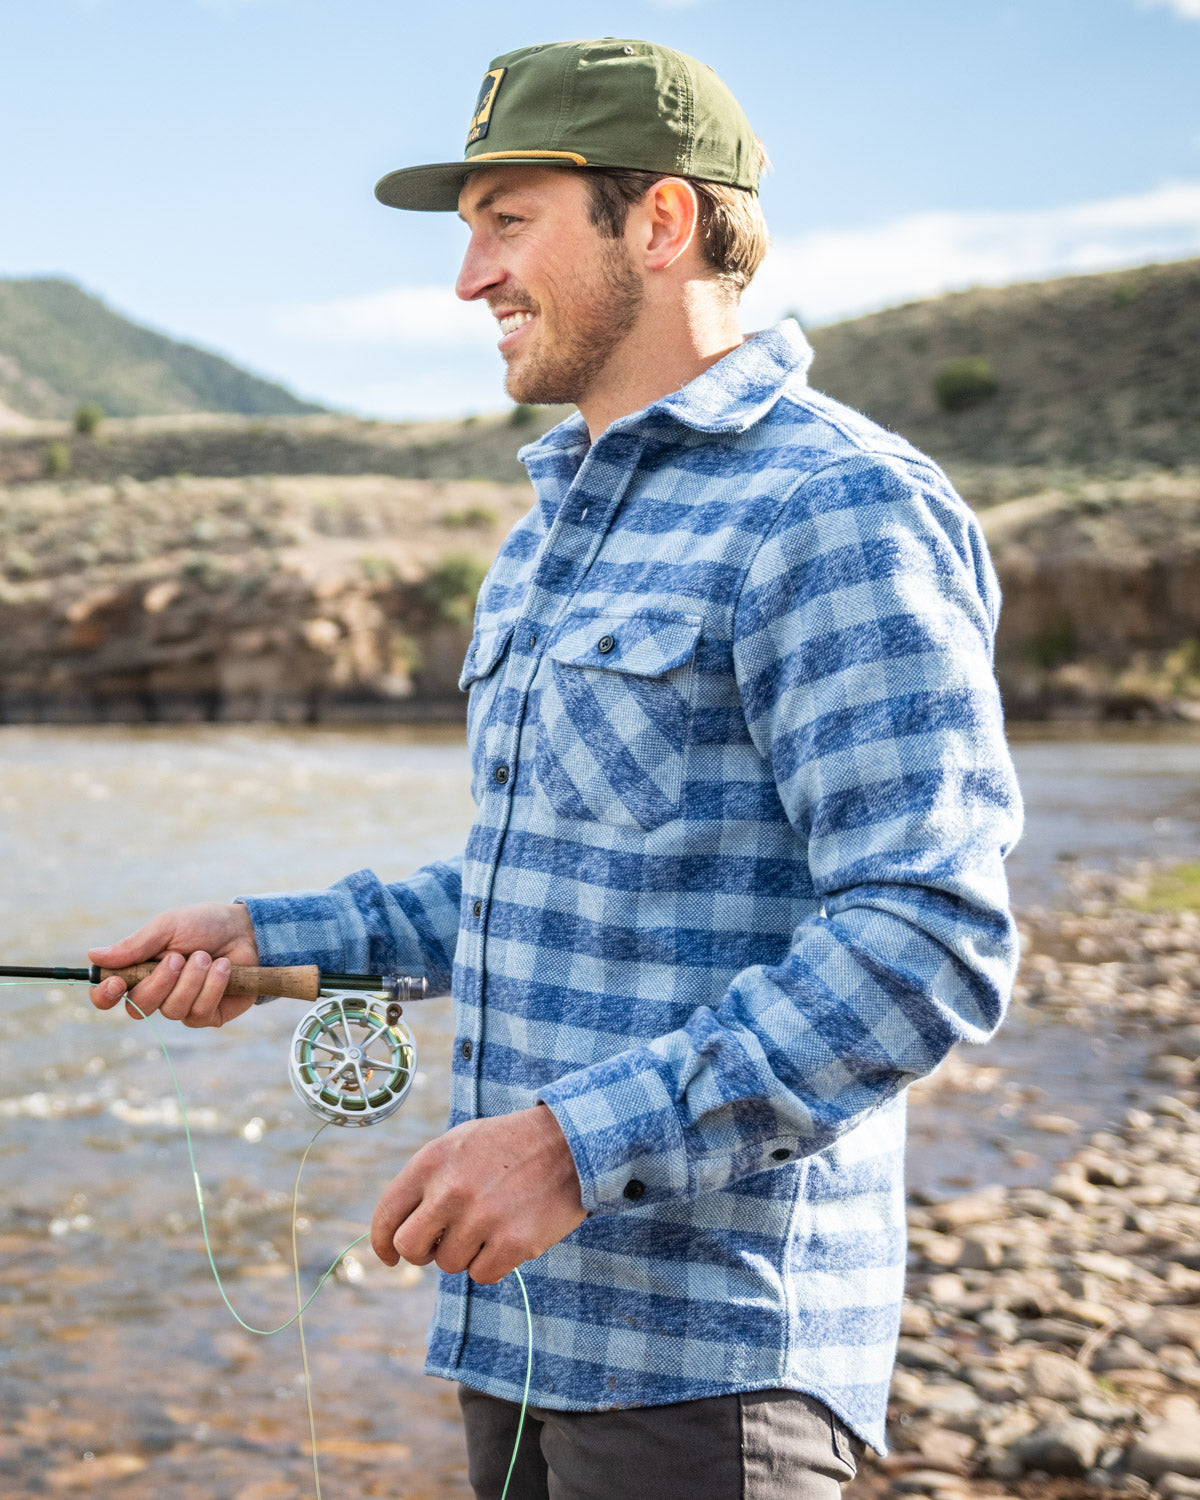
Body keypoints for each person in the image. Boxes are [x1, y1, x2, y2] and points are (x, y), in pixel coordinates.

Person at [89, 38, 1023, 1500]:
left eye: (507, 221)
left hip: (710, 1371)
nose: (470, 279)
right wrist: (271, 939)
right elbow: (542, 886)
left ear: (660, 221)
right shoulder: (545, 541)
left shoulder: (839, 508)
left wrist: (573, 1151)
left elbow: (929, 938)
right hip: (519, 1334)